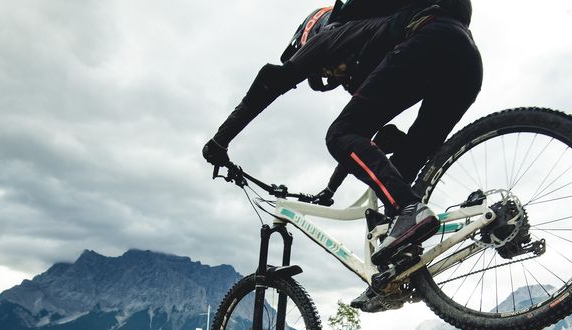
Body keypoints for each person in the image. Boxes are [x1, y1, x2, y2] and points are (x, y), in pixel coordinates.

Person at [202, 1, 481, 269]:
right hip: (467, 61)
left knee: (338, 136)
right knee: (401, 168)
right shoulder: (378, 42)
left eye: (327, 72)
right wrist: (330, 191)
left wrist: (220, 140)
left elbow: (271, 83)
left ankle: (410, 210)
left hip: (430, 39)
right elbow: (358, 139)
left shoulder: (333, 35)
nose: (333, 75)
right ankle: (477, 224)